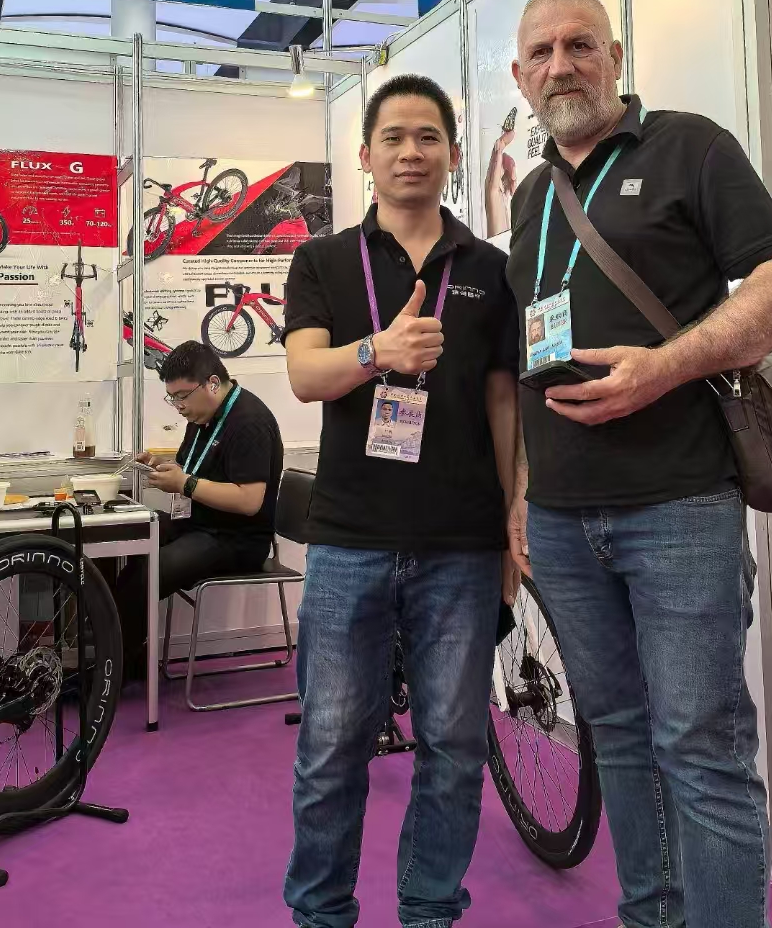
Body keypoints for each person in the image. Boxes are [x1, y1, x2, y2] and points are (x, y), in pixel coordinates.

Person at [502, 0, 772, 928]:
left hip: (679, 505)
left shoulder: (691, 147)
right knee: (617, 737)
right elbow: (529, 356)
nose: (562, 65)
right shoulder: (530, 196)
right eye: (541, 53)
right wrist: (521, 493)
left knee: (701, 747)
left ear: (615, 56)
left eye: (580, 45)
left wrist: (664, 367)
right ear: (520, 77)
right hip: (562, 518)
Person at [282, 73, 521, 928]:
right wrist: (377, 352)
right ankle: (321, 914)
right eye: (393, 137)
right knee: (331, 745)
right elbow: (305, 375)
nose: (410, 152)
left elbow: (503, 401)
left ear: (453, 154)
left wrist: (514, 521)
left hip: (462, 543)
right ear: (366, 155)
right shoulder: (322, 261)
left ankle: (429, 911)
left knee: (454, 748)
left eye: (427, 137)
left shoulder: (491, 270)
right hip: (350, 538)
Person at [113, 340, 283, 679]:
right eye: (172, 397)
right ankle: (122, 655)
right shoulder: (202, 414)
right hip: (198, 522)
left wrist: (185, 484)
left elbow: (249, 501)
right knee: (124, 538)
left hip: (237, 539)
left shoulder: (250, 422)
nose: (178, 406)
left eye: (182, 396)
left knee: (147, 575)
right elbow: (197, 469)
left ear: (213, 383)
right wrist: (161, 467)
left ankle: (112, 669)